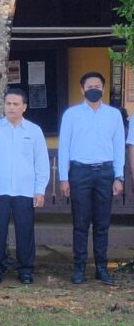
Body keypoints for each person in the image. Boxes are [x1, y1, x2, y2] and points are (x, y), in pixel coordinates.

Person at [0, 88, 49, 284]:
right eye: (8, 104)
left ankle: (25, 269)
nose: (11, 107)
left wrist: (40, 190)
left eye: (16, 104)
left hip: (25, 190)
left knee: (25, 231)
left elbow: (41, 162)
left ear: (24, 107)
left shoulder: (34, 131)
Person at [58, 71, 125, 285]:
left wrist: (119, 176)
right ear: (82, 89)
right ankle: (78, 268)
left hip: (105, 173)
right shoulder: (71, 114)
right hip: (79, 173)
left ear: (104, 89)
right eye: (89, 86)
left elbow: (118, 148)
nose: (93, 89)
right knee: (80, 223)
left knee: (102, 223)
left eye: (97, 85)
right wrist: (63, 177)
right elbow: (64, 147)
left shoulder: (114, 115)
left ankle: (101, 268)